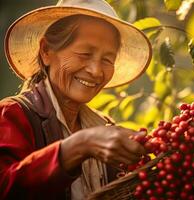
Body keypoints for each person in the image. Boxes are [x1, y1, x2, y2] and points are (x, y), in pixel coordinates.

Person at [0, 0, 152, 199]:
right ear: (46, 51)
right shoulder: (12, 114)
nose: (96, 71)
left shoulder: (105, 128)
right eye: (84, 54)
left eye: (107, 60)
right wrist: (79, 146)